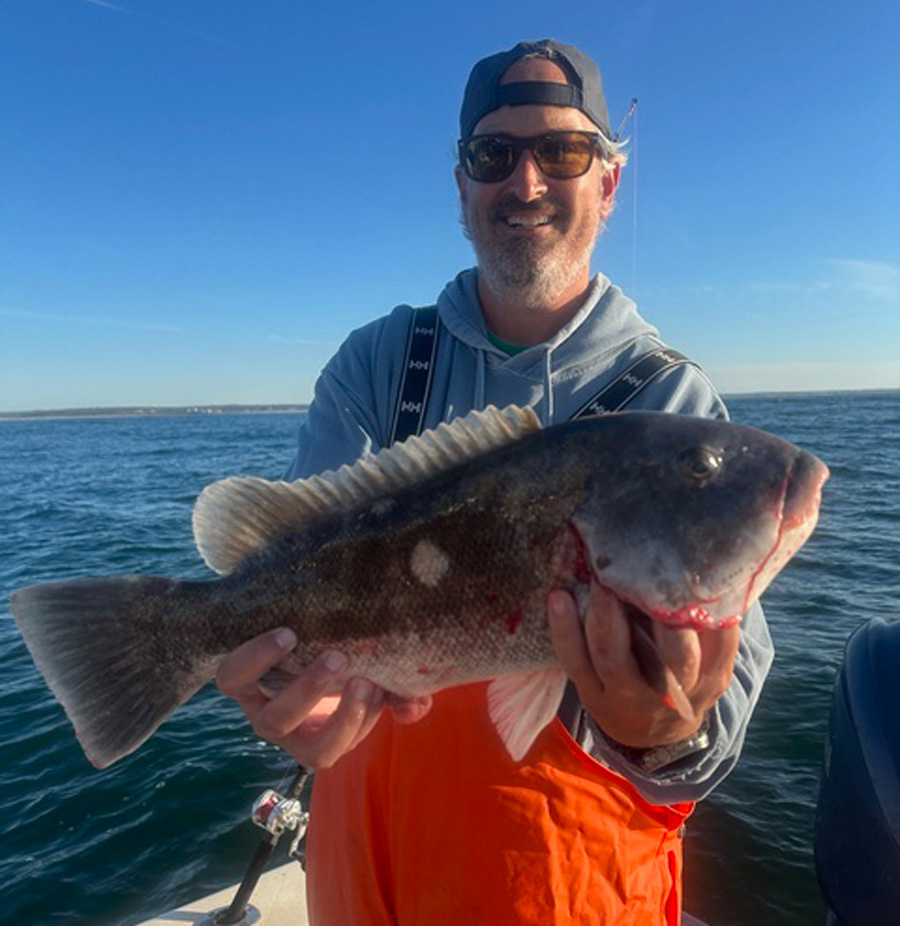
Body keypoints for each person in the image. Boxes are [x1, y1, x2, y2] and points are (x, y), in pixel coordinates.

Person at [216, 39, 774, 925]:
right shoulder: (376, 364)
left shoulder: (674, 405)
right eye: (493, 155)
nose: (525, 182)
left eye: (563, 151)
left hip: (561, 873)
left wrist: (668, 731)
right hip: (361, 852)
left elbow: (724, 710)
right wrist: (278, 693)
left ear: (609, 184)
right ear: (462, 186)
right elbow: (287, 563)